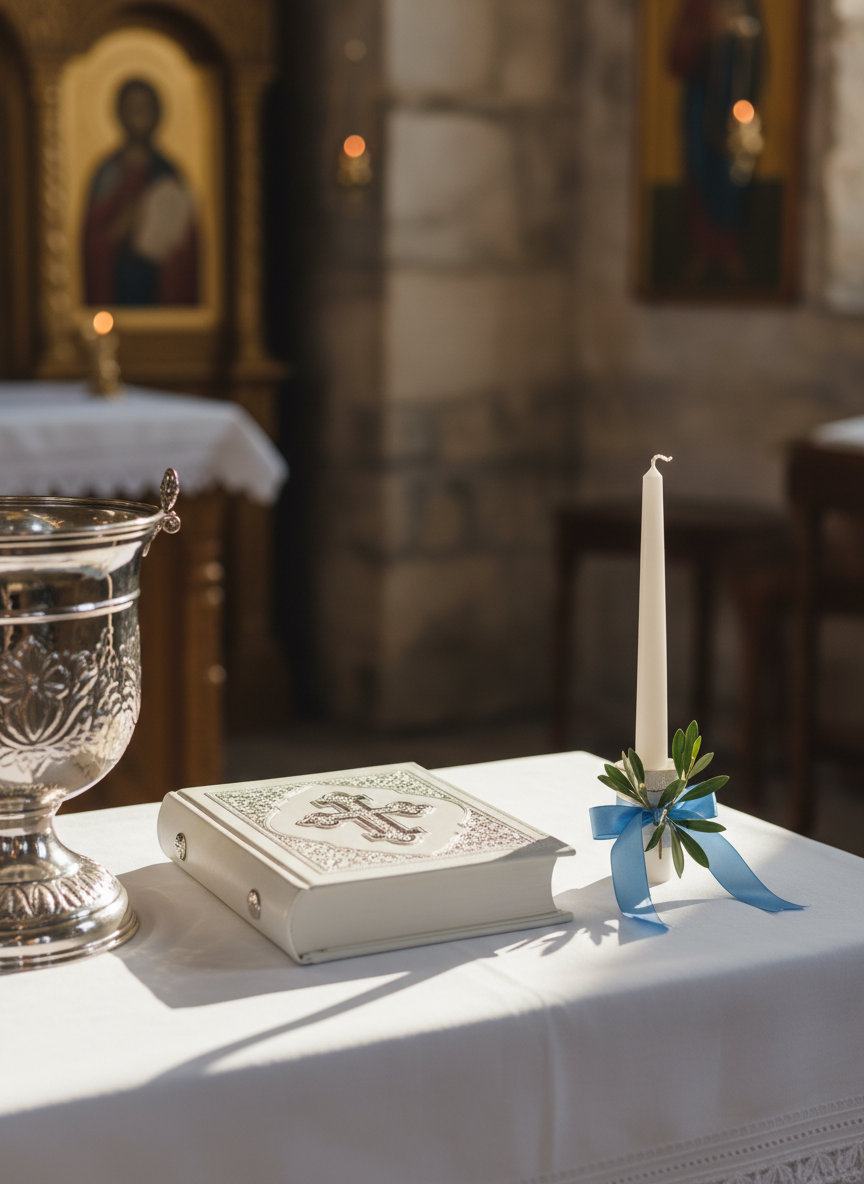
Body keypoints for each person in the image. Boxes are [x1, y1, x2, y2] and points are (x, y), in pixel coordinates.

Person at [668, 0, 765, 284]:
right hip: (700, 99)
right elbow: (676, 56)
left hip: (736, 100)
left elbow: (758, 54)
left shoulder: (748, 5)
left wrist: (751, 97)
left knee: (734, 172)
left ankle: (729, 248)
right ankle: (703, 248)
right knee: (700, 167)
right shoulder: (696, 6)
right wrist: (701, 35)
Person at [83, 78, 199, 306]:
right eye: (133, 108)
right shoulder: (108, 172)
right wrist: (117, 231)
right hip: (117, 281)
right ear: (120, 114)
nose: (139, 116)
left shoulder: (168, 172)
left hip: (159, 282)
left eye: (146, 108)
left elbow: (189, 240)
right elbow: (91, 239)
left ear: (158, 114)